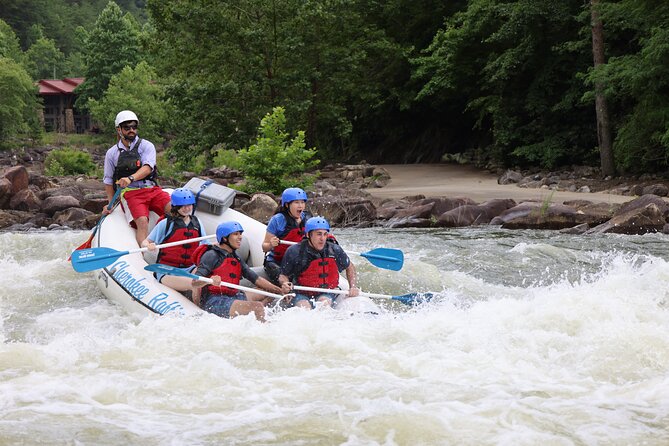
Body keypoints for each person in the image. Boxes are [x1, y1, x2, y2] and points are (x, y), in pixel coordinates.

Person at [193, 221, 290, 322]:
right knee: (257, 307)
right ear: (224, 238)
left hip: (233, 295)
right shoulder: (211, 255)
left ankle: (255, 316)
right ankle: (263, 324)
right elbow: (194, 282)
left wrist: (279, 290)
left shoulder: (235, 257)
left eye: (240, 234)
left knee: (269, 293)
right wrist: (209, 280)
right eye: (236, 234)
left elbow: (256, 279)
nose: (240, 237)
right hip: (215, 300)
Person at [102, 110, 171, 245]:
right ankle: (144, 254)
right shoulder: (111, 153)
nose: (131, 130)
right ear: (119, 130)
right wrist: (110, 203)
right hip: (130, 193)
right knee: (142, 222)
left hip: (152, 189)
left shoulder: (147, 146)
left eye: (134, 127)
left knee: (173, 210)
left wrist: (130, 178)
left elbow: (147, 168)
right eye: (127, 128)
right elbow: (108, 180)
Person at [278, 216, 359, 310]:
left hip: (326, 292)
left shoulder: (334, 249)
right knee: (304, 307)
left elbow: (350, 266)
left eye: (325, 234)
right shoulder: (294, 251)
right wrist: (285, 283)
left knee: (324, 303)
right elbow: (283, 275)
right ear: (308, 235)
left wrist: (352, 286)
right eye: (319, 234)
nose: (322, 238)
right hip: (301, 292)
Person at [141, 188, 207, 292]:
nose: (186, 208)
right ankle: (193, 285)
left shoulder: (197, 222)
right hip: (167, 270)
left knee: (201, 275)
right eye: (183, 206)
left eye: (189, 205)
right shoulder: (166, 223)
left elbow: (205, 244)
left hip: (190, 268)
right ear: (176, 207)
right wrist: (148, 245)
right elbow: (145, 242)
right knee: (194, 283)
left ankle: (198, 305)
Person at [262, 187, 312, 284]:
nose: (300, 206)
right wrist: (271, 244)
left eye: (302, 202)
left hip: (299, 261)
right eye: (296, 202)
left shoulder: (308, 218)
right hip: (277, 262)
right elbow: (264, 247)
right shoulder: (277, 220)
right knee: (289, 281)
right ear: (287, 204)